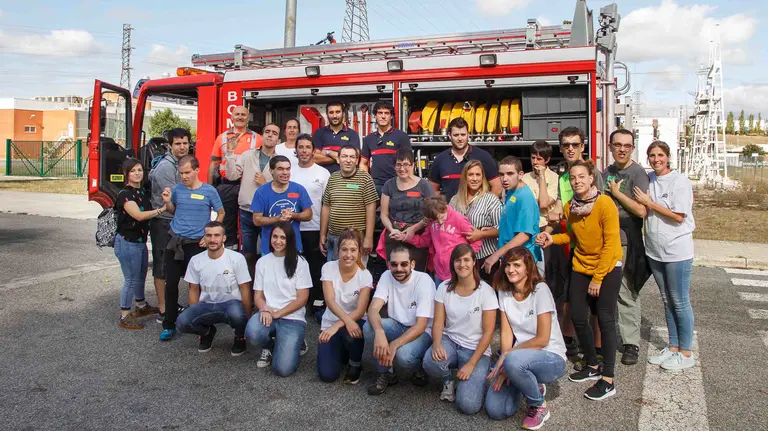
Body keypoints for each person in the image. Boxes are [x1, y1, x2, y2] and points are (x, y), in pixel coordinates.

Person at [536, 159, 622, 401]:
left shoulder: (605, 204)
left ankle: (608, 378)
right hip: (581, 265)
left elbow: (610, 245)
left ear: (591, 178)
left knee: (604, 318)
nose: (577, 181)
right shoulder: (570, 206)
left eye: (582, 177)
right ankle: (592, 365)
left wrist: (597, 278)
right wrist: (552, 239)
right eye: (573, 178)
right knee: (575, 315)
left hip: (607, 268)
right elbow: (572, 237)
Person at [485, 247, 567, 429]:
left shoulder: (540, 290)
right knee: (495, 410)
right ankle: (530, 383)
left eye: (517, 265)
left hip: (551, 357)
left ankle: (538, 405)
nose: (511, 269)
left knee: (512, 361)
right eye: (507, 265)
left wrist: (506, 359)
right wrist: (506, 365)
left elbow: (542, 339)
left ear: (528, 268)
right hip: (519, 359)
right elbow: (506, 333)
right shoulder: (504, 292)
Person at [634, 141, 696, 371]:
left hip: (676, 251)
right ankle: (673, 347)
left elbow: (678, 216)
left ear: (668, 157)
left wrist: (650, 203)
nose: (656, 159)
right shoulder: (649, 180)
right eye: (652, 155)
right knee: (666, 300)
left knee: (679, 301)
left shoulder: (680, 182)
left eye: (660, 155)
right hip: (655, 251)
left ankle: (686, 352)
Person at [545, 127, 605, 358]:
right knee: (569, 294)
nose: (570, 148)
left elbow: (596, 207)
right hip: (570, 243)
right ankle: (569, 340)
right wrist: (548, 231)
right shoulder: (562, 177)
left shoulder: (592, 173)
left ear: (583, 146)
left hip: (591, 246)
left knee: (595, 301)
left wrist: (559, 216)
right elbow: (560, 207)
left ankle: (598, 350)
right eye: (566, 145)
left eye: (575, 144)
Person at [422, 244, 498, 415]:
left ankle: (478, 373)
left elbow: (488, 332)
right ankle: (448, 380)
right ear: (453, 263)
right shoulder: (444, 288)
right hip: (451, 341)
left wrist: (471, 364)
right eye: (458, 260)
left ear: (473, 263)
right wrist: (436, 344)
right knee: (430, 362)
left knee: (468, 406)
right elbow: (439, 323)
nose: (462, 264)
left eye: (466, 260)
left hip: (476, 349)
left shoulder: (486, 291)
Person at [159, 155, 225, 341]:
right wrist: (167, 202)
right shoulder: (177, 190)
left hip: (196, 244)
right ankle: (169, 324)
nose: (184, 176)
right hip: (175, 241)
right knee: (171, 284)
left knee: (198, 286)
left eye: (187, 172)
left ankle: (200, 324)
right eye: (181, 173)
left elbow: (221, 213)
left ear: (197, 170)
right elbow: (173, 210)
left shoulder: (209, 191)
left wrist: (209, 235)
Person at [601, 129, 651, 366]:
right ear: (610, 147)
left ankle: (631, 343)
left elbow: (642, 210)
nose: (622, 149)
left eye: (627, 146)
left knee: (627, 292)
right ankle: (607, 339)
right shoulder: (606, 173)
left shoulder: (638, 173)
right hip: (606, 240)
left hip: (626, 240)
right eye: (617, 145)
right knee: (605, 291)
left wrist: (618, 194)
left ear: (632, 148)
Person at [363, 245, 436, 395]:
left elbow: (421, 325)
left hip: (422, 331)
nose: (399, 268)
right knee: (369, 328)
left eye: (404, 264)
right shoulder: (386, 276)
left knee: (404, 357)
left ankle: (419, 367)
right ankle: (386, 373)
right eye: (394, 264)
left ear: (412, 264)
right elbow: (372, 309)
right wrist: (379, 333)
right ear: (389, 264)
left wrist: (394, 345)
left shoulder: (424, 280)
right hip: (397, 324)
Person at [245, 221, 312, 376]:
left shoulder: (300, 263)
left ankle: (298, 341)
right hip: (268, 313)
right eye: (275, 236)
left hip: (292, 317)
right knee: (252, 332)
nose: (278, 241)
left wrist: (279, 313)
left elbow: (302, 298)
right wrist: (264, 308)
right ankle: (268, 346)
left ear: (290, 240)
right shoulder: (262, 262)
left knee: (283, 369)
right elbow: (258, 295)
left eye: (283, 237)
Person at [175, 222, 251, 356]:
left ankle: (240, 336)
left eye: (217, 235)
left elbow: (245, 288)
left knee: (238, 316)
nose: (212, 239)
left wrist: (247, 319)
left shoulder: (236, 258)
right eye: (208, 235)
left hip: (231, 304)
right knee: (182, 322)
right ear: (204, 238)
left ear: (224, 238)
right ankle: (207, 332)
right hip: (206, 305)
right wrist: (195, 314)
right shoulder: (195, 260)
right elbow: (193, 290)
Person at [317, 229, 373, 384]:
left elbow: (360, 310)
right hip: (331, 320)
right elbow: (330, 301)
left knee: (353, 329)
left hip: (354, 321)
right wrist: (334, 326)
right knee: (327, 375)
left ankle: (355, 363)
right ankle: (340, 350)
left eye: (353, 250)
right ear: (338, 250)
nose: (349, 254)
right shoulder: (328, 268)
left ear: (359, 251)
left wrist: (339, 325)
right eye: (344, 249)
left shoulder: (365, 275)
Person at [114, 158, 164, 329]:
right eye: (133, 171)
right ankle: (124, 315)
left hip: (140, 241)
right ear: (126, 174)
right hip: (128, 242)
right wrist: (161, 209)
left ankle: (141, 306)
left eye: (139, 170)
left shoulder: (141, 192)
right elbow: (139, 215)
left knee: (141, 275)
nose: (137, 173)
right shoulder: (125, 195)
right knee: (131, 278)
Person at [223, 122, 278, 276]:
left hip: (267, 214)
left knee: (268, 254)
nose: (270, 134)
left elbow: (281, 187)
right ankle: (249, 290)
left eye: (274, 133)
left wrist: (265, 184)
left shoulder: (280, 160)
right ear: (262, 135)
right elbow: (231, 175)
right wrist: (230, 151)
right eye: (267, 131)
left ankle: (266, 289)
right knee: (248, 254)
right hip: (247, 211)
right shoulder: (248, 155)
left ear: (278, 140)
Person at [148, 128, 190, 323]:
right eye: (178, 144)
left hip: (176, 220)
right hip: (163, 222)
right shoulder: (166, 167)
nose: (182, 147)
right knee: (162, 265)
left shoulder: (183, 163)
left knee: (175, 264)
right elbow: (178, 196)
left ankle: (172, 305)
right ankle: (163, 310)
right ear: (170, 146)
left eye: (185, 143)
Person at [208, 106, 262, 249]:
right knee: (227, 222)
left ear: (248, 117)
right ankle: (228, 252)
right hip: (227, 185)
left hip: (248, 186)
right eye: (237, 114)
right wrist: (209, 189)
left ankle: (247, 254)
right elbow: (214, 164)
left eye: (243, 114)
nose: (240, 117)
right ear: (232, 117)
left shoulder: (258, 139)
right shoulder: (222, 138)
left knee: (249, 223)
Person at [290, 134, 332, 315]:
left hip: (315, 228)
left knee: (316, 268)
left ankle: (316, 303)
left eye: (308, 147)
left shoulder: (323, 173)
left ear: (314, 150)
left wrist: (324, 231)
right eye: (301, 147)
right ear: (296, 150)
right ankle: (297, 303)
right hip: (292, 228)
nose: (304, 150)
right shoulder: (288, 170)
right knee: (294, 268)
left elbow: (327, 204)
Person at [482, 157, 542, 277]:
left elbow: (524, 234)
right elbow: (513, 225)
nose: (505, 179)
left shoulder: (525, 197)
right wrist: (499, 231)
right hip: (511, 259)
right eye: (501, 174)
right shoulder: (511, 191)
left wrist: (496, 255)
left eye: (510, 174)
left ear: (520, 175)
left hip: (523, 262)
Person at [319, 146, 378, 262]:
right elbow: (326, 206)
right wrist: (322, 234)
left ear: (356, 161)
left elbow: (371, 209)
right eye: (344, 156)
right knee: (334, 276)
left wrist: (369, 238)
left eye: (352, 157)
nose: (348, 160)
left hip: (357, 240)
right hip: (334, 238)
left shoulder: (366, 179)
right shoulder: (333, 178)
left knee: (356, 277)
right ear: (338, 159)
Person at [407, 196, 481, 287]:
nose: (440, 222)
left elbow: (476, 241)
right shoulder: (432, 223)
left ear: (445, 208)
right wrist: (407, 237)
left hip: (458, 271)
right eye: (436, 220)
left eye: (442, 217)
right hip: (440, 271)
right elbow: (424, 241)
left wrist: (465, 259)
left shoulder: (459, 219)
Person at [521, 140, 565, 296]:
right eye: (533, 158)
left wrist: (541, 179)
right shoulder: (525, 178)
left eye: (539, 159)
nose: (535, 162)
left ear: (546, 160)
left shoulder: (554, 178)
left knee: (547, 270)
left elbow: (544, 203)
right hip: (528, 228)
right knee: (529, 267)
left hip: (546, 228)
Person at [381, 149, 434, 271]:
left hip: (417, 236)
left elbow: (431, 213)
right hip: (395, 234)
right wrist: (392, 229)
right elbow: (384, 214)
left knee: (417, 272)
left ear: (413, 165)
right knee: (396, 271)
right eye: (398, 165)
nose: (402, 168)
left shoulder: (424, 185)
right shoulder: (389, 185)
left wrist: (413, 229)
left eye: (406, 164)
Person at [448, 160, 502, 282]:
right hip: (460, 260)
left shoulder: (491, 199)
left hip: (484, 258)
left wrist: (481, 234)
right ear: (465, 177)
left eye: (478, 175)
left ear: (482, 177)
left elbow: (502, 228)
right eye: (471, 174)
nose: (474, 178)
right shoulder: (454, 200)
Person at [251, 155, 312, 256]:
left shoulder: (298, 189)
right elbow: (256, 220)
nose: (285, 173)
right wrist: (278, 218)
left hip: (293, 247)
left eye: (288, 169)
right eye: (280, 169)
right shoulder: (261, 192)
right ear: (271, 171)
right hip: (269, 249)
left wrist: (293, 215)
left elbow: (309, 214)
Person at [428, 117, 501, 202]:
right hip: (449, 212)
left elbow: (497, 187)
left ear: (468, 135)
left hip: (476, 213)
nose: (460, 139)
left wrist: (483, 207)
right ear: (449, 135)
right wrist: (443, 207)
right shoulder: (440, 159)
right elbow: (432, 191)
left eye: (463, 135)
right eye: (456, 135)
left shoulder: (483, 157)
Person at [359, 101, 412, 196]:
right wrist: (366, 183)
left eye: (386, 113)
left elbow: (409, 163)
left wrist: (408, 184)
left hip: (396, 183)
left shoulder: (401, 136)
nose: (383, 116)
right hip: (375, 185)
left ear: (391, 116)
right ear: (375, 115)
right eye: (380, 113)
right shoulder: (369, 139)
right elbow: (363, 163)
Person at [313, 101, 360, 173]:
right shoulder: (319, 133)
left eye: (338, 112)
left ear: (343, 114)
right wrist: (342, 157)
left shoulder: (352, 134)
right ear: (327, 114)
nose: (334, 116)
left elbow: (354, 159)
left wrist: (327, 152)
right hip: (323, 179)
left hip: (345, 178)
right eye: (331, 112)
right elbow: (314, 158)